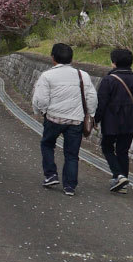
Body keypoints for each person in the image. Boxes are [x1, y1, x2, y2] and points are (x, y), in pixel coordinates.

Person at [31, 42, 97, 197]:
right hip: (76, 120)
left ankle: (51, 175)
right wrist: (91, 114)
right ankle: (70, 186)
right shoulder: (82, 75)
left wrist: (40, 112)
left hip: (54, 118)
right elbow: (92, 97)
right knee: (72, 154)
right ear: (71, 59)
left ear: (53, 58)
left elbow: (40, 99)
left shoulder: (47, 76)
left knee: (47, 144)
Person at [93, 47, 133, 194]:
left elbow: (101, 102)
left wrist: (95, 119)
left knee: (107, 146)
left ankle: (119, 176)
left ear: (113, 62)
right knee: (123, 151)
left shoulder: (109, 80)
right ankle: (122, 185)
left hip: (112, 120)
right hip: (131, 119)